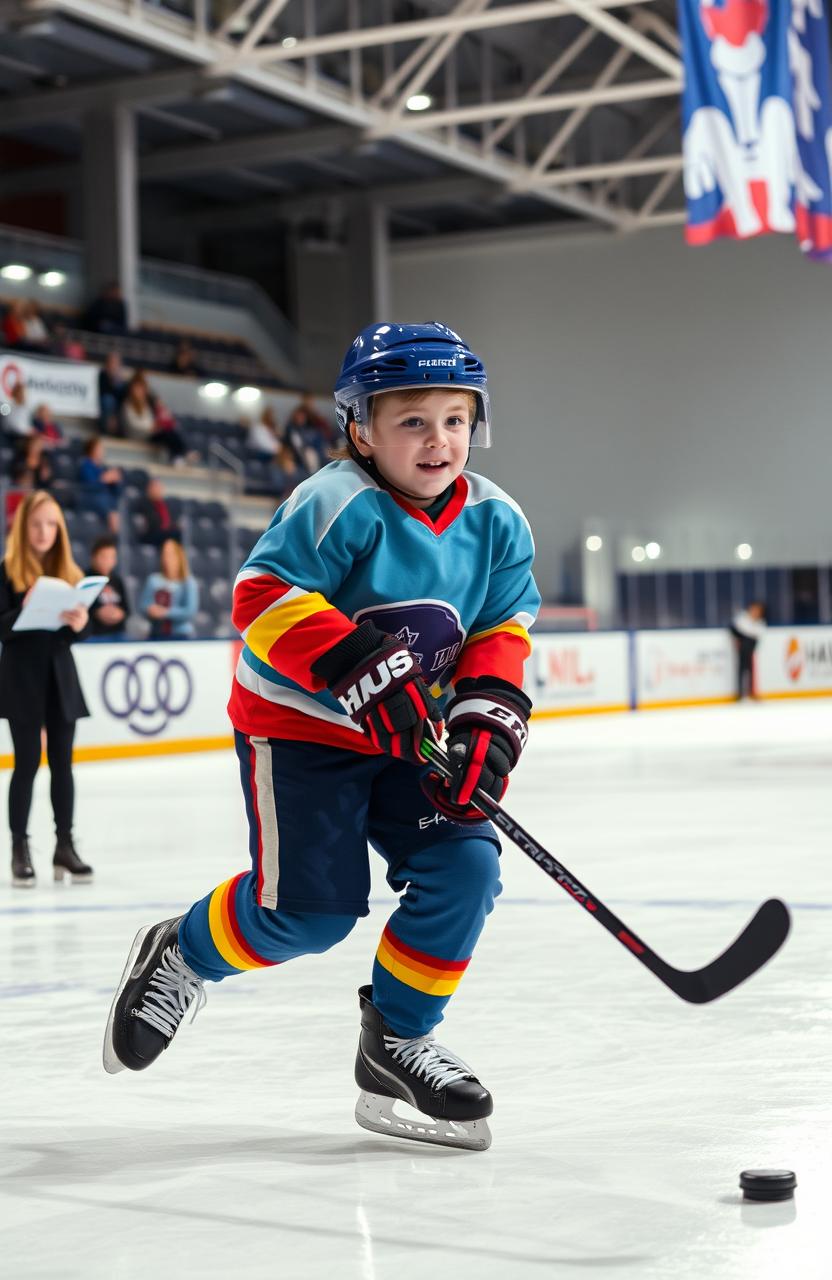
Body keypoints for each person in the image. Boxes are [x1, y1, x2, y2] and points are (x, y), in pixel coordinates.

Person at [103, 322, 540, 1154]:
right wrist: (362, 669)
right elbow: (262, 598)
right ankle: (184, 952)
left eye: (455, 418)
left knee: (467, 865)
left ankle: (396, 1040)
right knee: (307, 915)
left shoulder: (497, 519)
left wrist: (488, 717)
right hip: (300, 732)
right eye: (412, 420)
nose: (439, 439)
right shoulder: (336, 501)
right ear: (360, 429)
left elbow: (503, 624)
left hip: (408, 734)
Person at [0, 491, 94, 886]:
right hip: (22, 678)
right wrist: (28, 610)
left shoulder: (69, 572)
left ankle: (64, 846)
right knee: (25, 764)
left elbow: (75, 635)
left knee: (62, 765)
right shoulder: (6, 571)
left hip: (60, 678)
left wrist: (79, 623)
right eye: (37, 524)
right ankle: (20, 847)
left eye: (51, 524)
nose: (44, 532)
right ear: (24, 528)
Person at [139, 538, 198, 639]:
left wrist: (165, 612)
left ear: (179, 556)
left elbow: (190, 611)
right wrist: (150, 610)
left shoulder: (188, 582)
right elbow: (143, 605)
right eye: (165, 554)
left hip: (180, 634)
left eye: (171, 554)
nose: (167, 558)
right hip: (156, 633)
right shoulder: (153, 580)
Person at [87, 536, 131, 639]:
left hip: (118, 634)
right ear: (94, 557)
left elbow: (127, 609)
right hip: (94, 635)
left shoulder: (117, 581)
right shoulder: (85, 579)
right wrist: (96, 612)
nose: (107, 561)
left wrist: (120, 614)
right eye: (103, 556)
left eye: (111, 557)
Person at [77, 437, 122, 535]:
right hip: (91, 498)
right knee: (106, 504)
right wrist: (104, 479)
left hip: (106, 499)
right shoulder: (85, 465)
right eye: (99, 448)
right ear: (91, 449)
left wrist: (116, 481)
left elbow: (117, 492)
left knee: (118, 504)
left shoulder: (103, 467)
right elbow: (89, 486)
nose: (102, 451)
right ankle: (115, 535)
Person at [730, 601, 767, 700]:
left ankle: (752, 692)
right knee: (741, 671)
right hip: (742, 650)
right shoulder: (742, 619)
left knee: (751, 671)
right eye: (754, 609)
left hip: (751, 650)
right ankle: (740, 693)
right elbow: (734, 630)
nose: (756, 612)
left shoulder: (760, 623)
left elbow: (757, 636)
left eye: (758, 610)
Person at [135, 476, 182, 547]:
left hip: (161, 533)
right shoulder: (144, 502)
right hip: (149, 535)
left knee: (179, 533)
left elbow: (167, 521)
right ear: (150, 489)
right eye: (157, 487)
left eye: (160, 488)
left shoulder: (161, 504)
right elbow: (153, 522)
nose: (159, 490)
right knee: (175, 534)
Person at [98, 351, 128, 436]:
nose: (113, 365)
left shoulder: (122, 382)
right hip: (104, 414)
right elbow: (103, 393)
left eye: (116, 363)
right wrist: (112, 380)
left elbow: (123, 399)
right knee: (108, 400)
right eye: (111, 362)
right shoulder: (101, 377)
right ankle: (108, 428)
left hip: (118, 415)